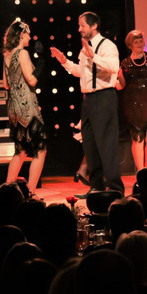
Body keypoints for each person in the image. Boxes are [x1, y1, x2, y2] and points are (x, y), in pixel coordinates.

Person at [51, 11, 124, 194]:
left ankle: (115, 187)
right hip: (88, 100)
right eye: (79, 25)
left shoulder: (107, 45)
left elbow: (113, 67)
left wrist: (93, 56)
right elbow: (81, 72)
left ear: (94, 26)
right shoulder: (85, 48)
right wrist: (64, 61)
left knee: (106, 144)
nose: (79, 29)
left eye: (82, 25)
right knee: (90, 144)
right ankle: (96, 186)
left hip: (104, 97)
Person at [2, 19, 48, 191]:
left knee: (20, 151)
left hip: (14, 109)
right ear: (21, 35)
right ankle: (31, 191)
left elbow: (5, 84)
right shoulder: (22, 53)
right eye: (28, 34)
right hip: (27, 108)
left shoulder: (7, 55)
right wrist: (41, 62)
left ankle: (7, 191)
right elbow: (32, 80)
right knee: (40, 149)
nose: (30, 37)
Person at [117, 30, 147, 171]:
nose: (140, 44)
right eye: (136, 42)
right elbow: (120, 86)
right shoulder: (125, 63)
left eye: (141, 41)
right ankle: (140, 172)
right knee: (138, 138)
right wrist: (116, 75)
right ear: (130, 45)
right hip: (132, 103)